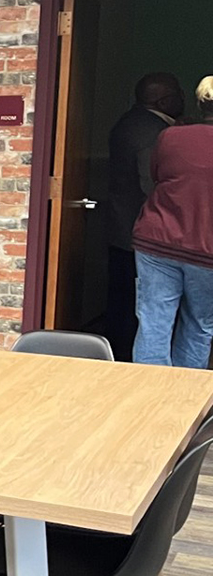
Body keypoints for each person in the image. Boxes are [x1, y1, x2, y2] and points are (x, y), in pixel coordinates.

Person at [132, 76, 213, 368]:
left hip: (157, 241)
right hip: (207, 250)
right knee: (200, 325)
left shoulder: (170, 136)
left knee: (154, 323)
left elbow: (158, 176)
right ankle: (185, 404)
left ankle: (150, 401)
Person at [107, 72, 184, 360]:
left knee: (123, 305)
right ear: (165, 100)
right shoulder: (151, 131)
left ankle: (118, 361)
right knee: (142, 312)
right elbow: (152, 184)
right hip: (142, 235)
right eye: (178, 92)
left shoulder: (128, 122)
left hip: (122, 228)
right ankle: (132, 368)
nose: (183, 97)